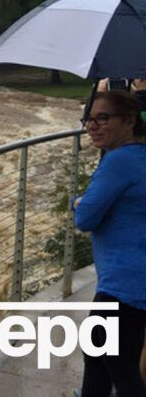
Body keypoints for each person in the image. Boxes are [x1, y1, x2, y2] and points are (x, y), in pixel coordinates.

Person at [73, 90, 146, 397]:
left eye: (103, 118)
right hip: (134, 280)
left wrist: (78, 202)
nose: (93, 126)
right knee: (98, 356)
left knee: (120, 367)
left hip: (124, 285)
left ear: (129, 120)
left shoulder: (118, 162)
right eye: (89, 119)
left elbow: (86, 218)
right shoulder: (140, 156)